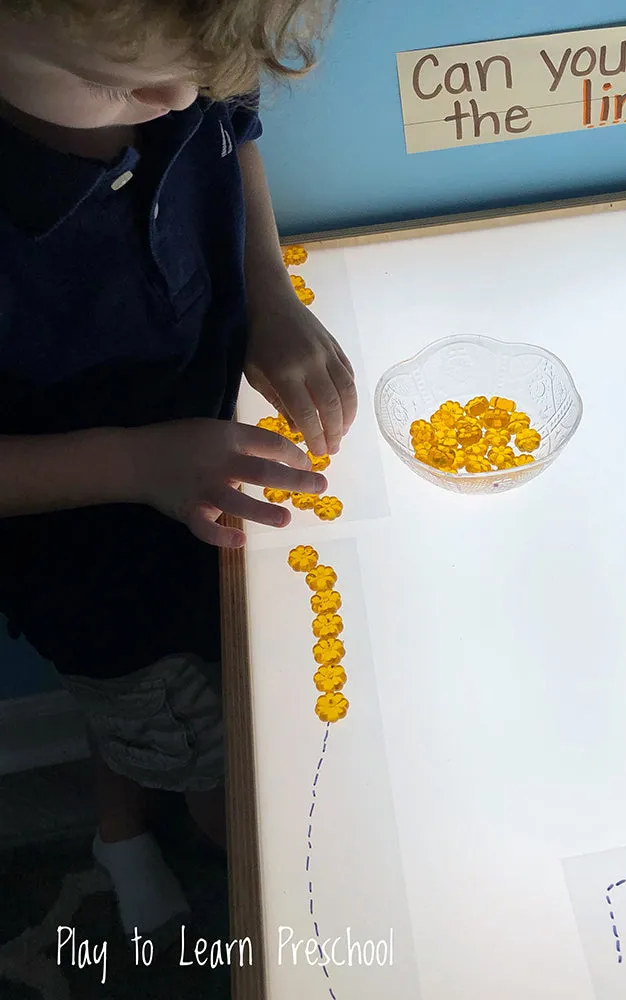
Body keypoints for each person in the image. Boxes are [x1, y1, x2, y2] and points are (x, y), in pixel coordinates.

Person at [0, 0, 357, 945]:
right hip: (89, 558)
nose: (179, 100)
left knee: (167, 709)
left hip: (199, 487)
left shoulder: (177, 67)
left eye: (207, 75)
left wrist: (268, 290)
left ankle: (122, 825)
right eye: (116, 83)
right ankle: (134, 834)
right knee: (198, 757)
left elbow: (229, 130)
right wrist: (137, 459)